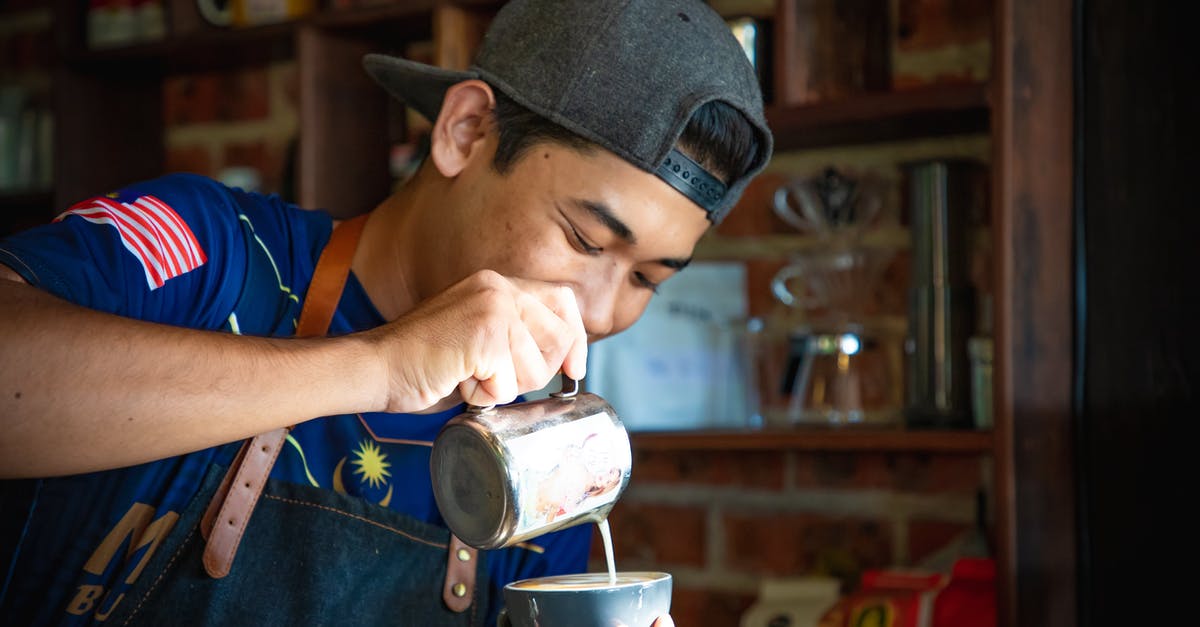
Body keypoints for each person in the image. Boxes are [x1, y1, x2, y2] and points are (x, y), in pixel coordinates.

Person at [0, 0, 772, 624]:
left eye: (648, 280)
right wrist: (380, 363)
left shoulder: (537, 468)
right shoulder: (216, 254)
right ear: (465, 131)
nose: (601, 311)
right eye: (583, 238)